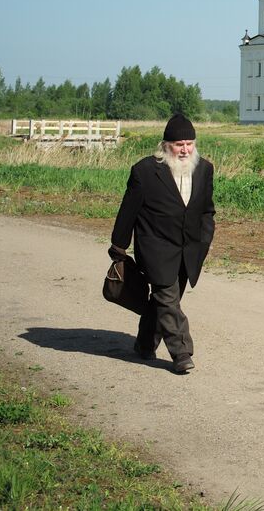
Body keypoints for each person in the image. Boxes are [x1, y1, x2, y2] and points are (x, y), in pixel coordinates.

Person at [110, 113, 215, 374]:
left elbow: (206, 211)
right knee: (168, 300)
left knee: (165, 299)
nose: (185, 149)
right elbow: (128, 211)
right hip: (155, 247)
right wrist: (118, 246)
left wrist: (205, 239)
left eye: (189, 143)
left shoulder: (204, 169)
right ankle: (181, 353)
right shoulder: (145, 171)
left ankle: (145, 344)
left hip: (189, 248)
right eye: (179, 144)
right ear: (166, 145)